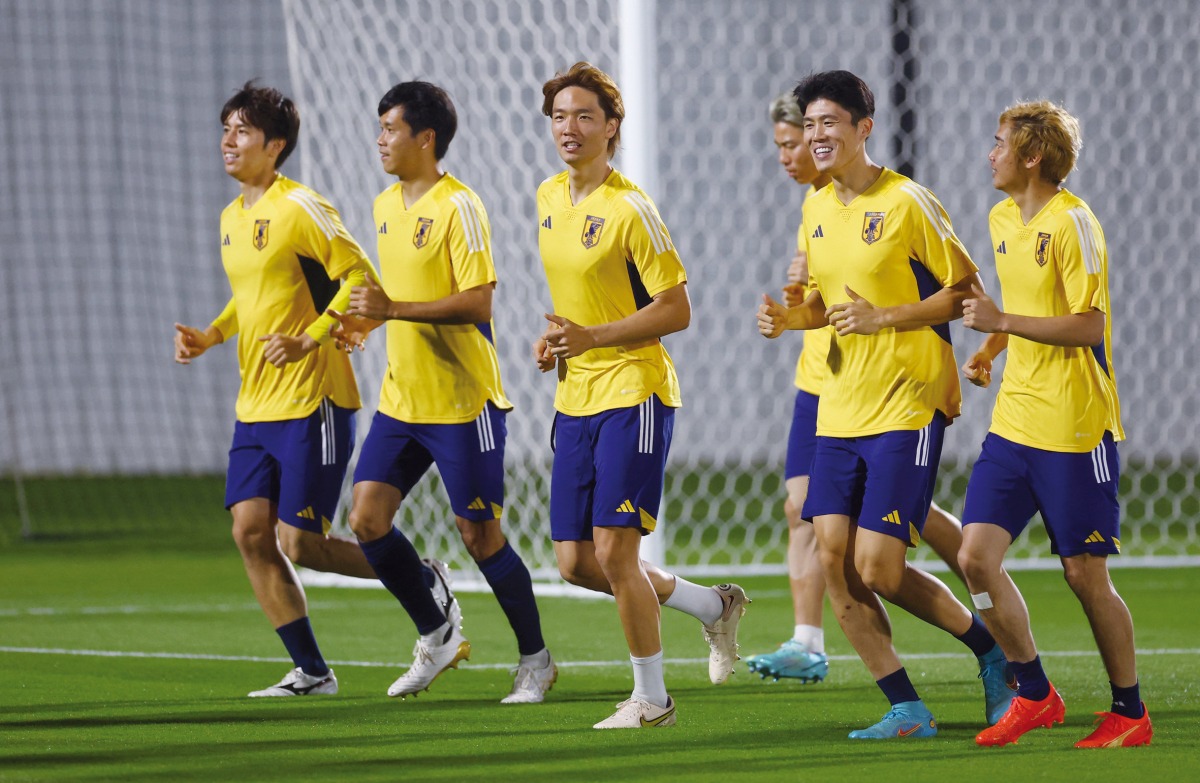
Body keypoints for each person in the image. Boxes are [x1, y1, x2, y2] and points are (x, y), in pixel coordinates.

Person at [755, 70, 1012, 739]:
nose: (815, 136)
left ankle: (992, 649)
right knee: (830, 555)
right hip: (838, 403)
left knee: (879, 566)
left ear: (863, 128)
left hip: (907, 400)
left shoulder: (907, 203)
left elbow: (966, 294)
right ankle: (905, 705)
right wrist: (792, 319)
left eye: (829, 123)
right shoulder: (816, 207)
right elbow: (823, 303)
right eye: (808, 125)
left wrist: (886, 317)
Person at [533, 62, 748, 729]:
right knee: (575, 562)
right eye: (561, 116)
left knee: (616, 552)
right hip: (577, 398)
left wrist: (593, 335)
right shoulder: (548, 197)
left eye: (585, 116)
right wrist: (556, 344)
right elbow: (577, 304)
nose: (570, 128)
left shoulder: (630, 209)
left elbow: (677, 308)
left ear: (612, 127)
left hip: (635, 393)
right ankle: (711, 606)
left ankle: (652, 698)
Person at [330, 81, 554, 704]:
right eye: (378, 127)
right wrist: (365, 321)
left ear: (424, 138)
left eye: (390, 128)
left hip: (463, 404)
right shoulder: (383, 205)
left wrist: (392, 306)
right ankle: (437, 631)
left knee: (480, 536)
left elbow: (477, 301)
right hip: (402, 401)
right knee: (367, 519)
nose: (379, 139)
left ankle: (535, 661)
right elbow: (396, 298)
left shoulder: (460, 207)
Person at [174, 81, 380, 697]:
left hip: (310, 397)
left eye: (242, 131)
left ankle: (417, 577)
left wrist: (310, 338)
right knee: (250, 532)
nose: (228, 141)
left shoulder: (301, 207)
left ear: (275, 145)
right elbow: (252, 297)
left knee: (301, 541)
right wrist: (211, 335)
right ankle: (313, 671)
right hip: (255, 402)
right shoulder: (232, 218)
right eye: (226, 129)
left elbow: (357, 277)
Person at [960, 100, 1152, 748]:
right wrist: (991, 350)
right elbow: (1021, 308)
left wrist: (1000, 325)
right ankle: (1035, 692)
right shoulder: (1000, 217)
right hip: (1015, 423)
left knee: (1083, 576)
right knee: (974, 556)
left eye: (999, 143)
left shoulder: (1076, 225)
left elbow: (1088, 324)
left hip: (1076, 429)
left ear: (1031, 155)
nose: (990, 153)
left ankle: (1130, 711)